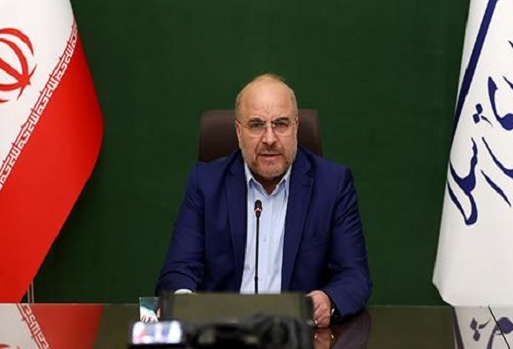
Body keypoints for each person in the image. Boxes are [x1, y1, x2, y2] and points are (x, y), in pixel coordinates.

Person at [156, 74, 371, 327]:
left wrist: (328, 300)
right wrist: (184, 304)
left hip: (298, 334)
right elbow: (178, 269)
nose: (269, 139)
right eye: (257, 125)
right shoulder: (205, 183)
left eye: (280, 124)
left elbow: (355, 275)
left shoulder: (332, 185)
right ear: (239, 132)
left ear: (296, 127)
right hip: (221, 333)